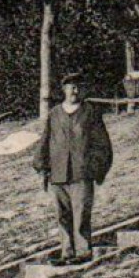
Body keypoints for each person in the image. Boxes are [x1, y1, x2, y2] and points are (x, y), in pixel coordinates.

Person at [33, 73, 113, 264]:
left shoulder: (90, 112)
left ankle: (83, 251)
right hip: (58, 174)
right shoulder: (54, 114)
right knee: (63, 215)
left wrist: (95, 169)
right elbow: (45, 141)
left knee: (81, 213)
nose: (74, 91)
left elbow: (102, 144)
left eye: (78, 87)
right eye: (70, 87)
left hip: (81, 173)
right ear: (64, 90)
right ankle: (67, 252)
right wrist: (42, 167)